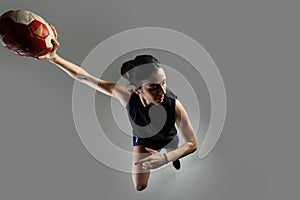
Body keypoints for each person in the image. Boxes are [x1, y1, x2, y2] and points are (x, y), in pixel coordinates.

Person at [37, 39, 198, 191]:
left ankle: (173, 155)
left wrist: (165, 158)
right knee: (139, 186)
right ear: (137, 89)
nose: (162, 91)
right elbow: (86, 77)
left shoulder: (173, 105)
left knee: (175, 151)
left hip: (168, 135)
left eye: (164, 82)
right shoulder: (126, 96)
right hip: (143, 139)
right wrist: (54, 58)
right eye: (153, 87)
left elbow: (192, 143)